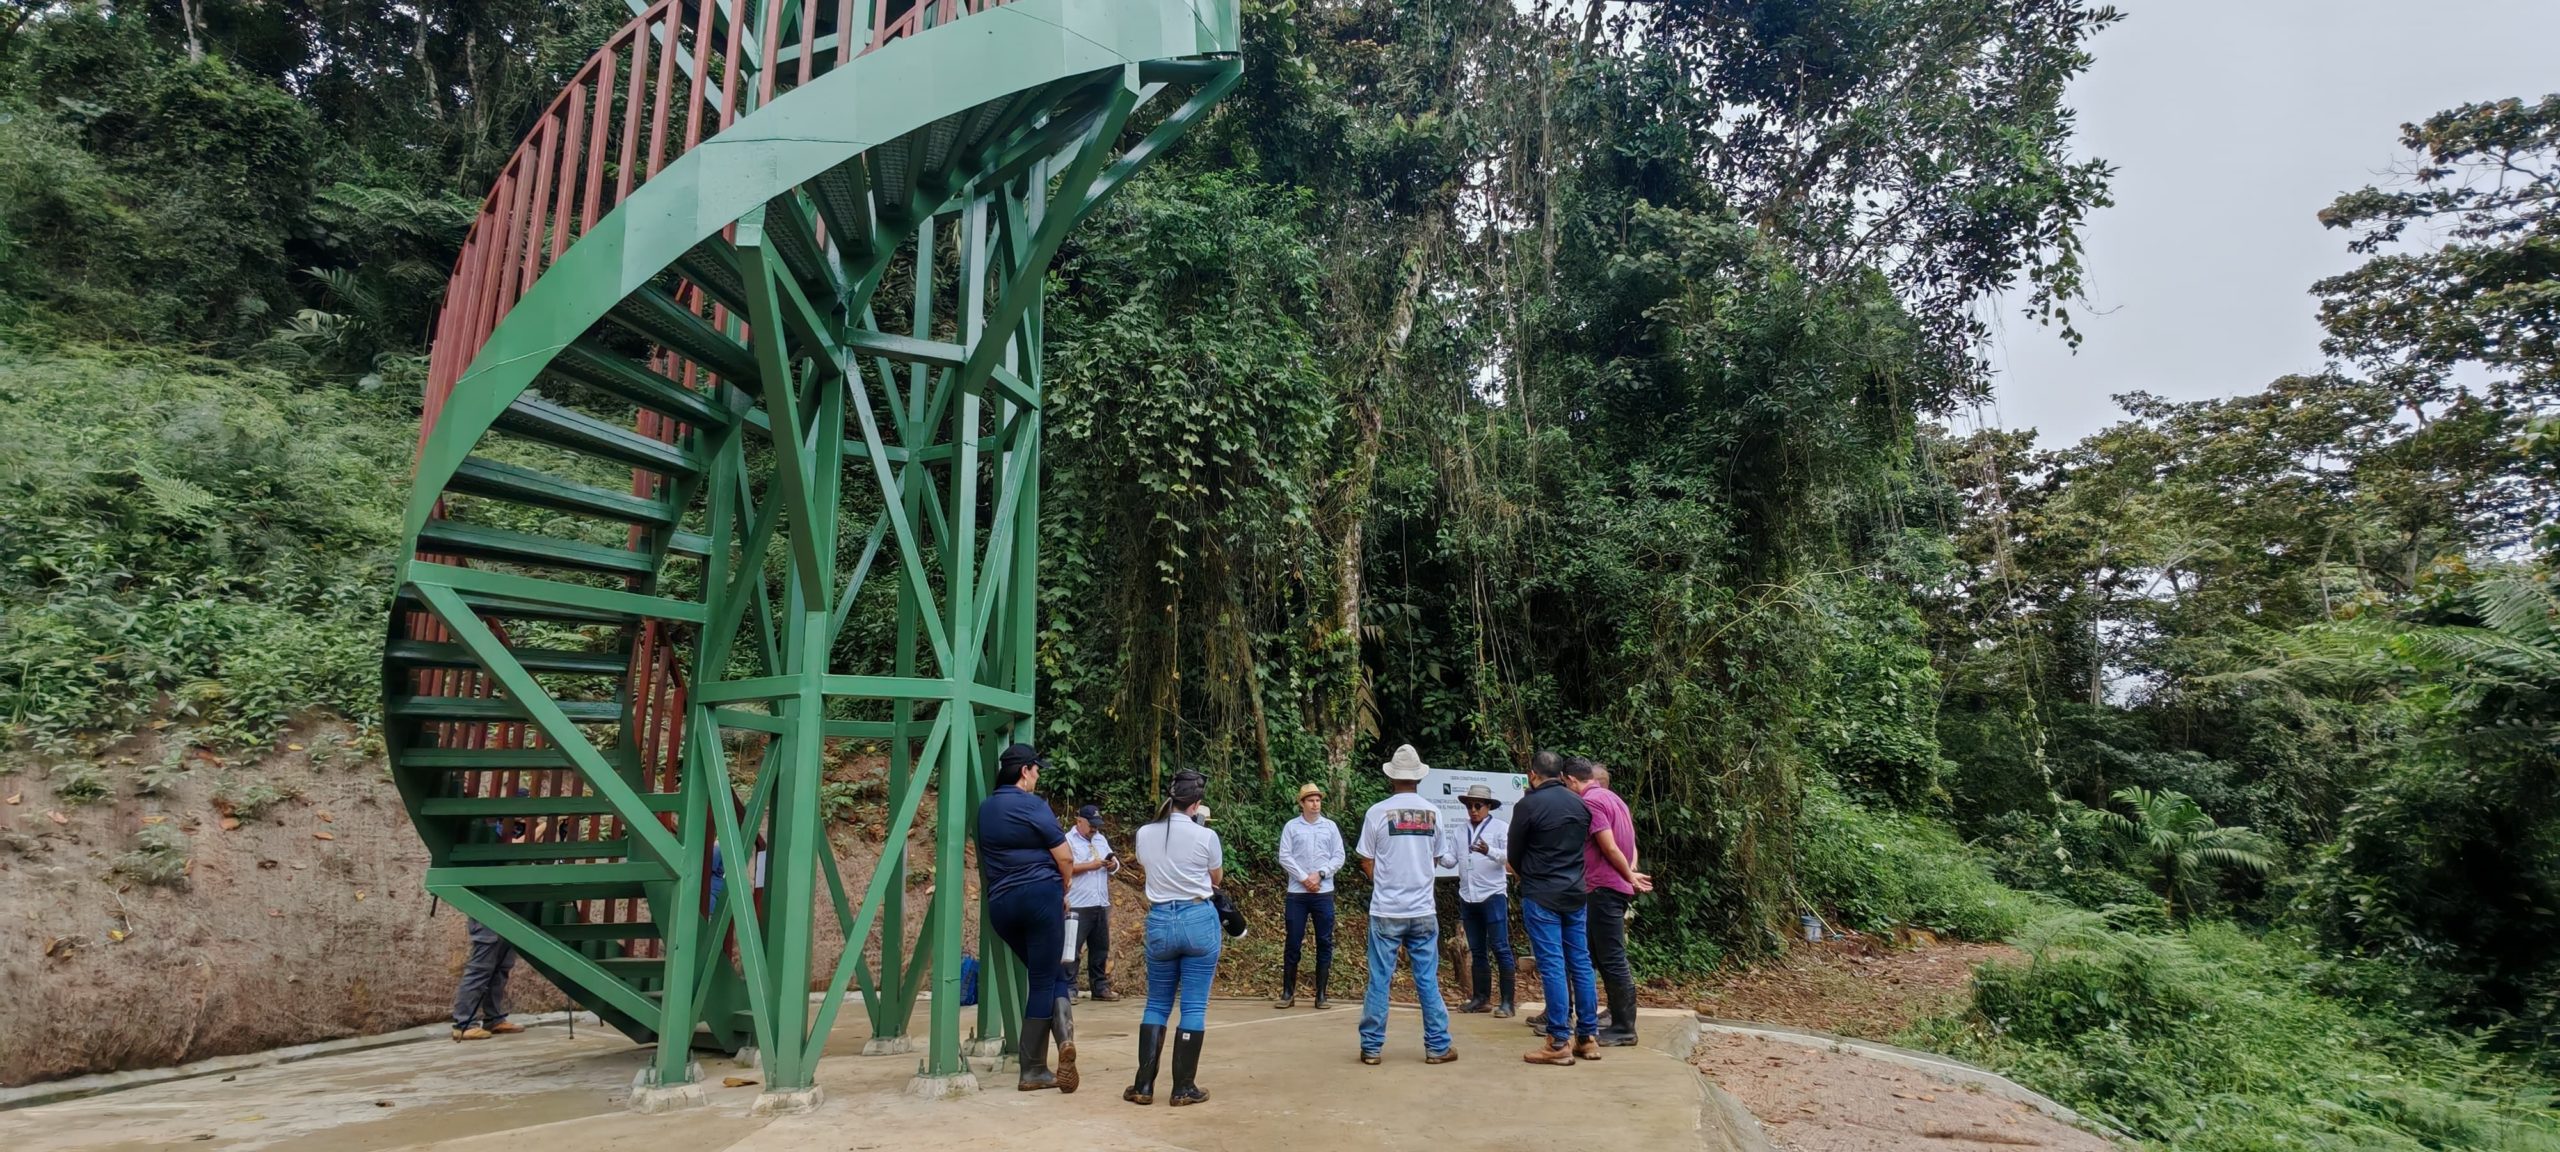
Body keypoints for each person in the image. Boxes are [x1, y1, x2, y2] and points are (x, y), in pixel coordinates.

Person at [975, 743, 1080, 1092]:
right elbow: (1065, 857)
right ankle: (1034, 1066)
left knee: (1051, 972)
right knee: (1043, 978)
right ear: (1025, 771)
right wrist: (1063, 890)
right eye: (1037, 771)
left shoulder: (986, 808)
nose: (1037, 777)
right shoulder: (1033, 805)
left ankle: (1063, 1044)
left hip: (1002, 907)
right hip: (1039, 898)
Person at [1356, 744, 1461, 1066]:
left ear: (1392, 778)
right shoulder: (1433, 813)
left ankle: (1372, 1048)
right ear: (1418, 778)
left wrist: (1384, 884)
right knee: (1427, 979)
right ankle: (1437, 1046)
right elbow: (1436, 858)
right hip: (1422, 910)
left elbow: (1366, 859)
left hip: (1386, 910)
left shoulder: (1377, 812)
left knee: (1379, 978)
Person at [1128, 769, 1224, 1106]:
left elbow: (1147, 866)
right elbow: (1215, 879)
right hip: (1197, 917)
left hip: (1160, 919)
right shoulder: (1205, 837)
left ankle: (1143, 1086)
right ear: (1196, 804)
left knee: (1156, 1003)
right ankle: (1183, 1087)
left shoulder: (1144, 833)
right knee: (1193, 1005)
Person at [1510, 749, 1600, 1064]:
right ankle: (1587, 1038)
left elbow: (1514, 852)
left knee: (1552, 965)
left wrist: (1530, 875)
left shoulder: (1528, 805)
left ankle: (1558, 1041)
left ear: (1533, 775)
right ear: (1561, 775)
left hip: (1542, 895)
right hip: (1575, 893)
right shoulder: (1580, 804)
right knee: (1581, 963)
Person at [1572, 758, 1651, 1045]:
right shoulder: (1617, 801)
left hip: (1603, 887)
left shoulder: (1592, 802)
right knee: (1595, 956)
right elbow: (1630, 844)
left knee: (1612, 957)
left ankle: (1624, 1027)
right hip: (1613, 886)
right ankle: (1603, 1020)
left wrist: (1628, 874)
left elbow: (1608, 845)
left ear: (1574, 780)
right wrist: (1630, 872)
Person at [451, 807, 532, 1041]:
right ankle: (463, 1022)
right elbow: (511, 850)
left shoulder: (518, 829)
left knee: (502, 966)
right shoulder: (494, 830)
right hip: (487, 905)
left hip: (510, 906)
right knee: (481, 967)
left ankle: (494, 1018)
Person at [1274, 780, 1345, 1010]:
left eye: (1318, 800)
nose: (1315, 804)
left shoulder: (1330, 827)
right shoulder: (1292, 827)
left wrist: (1321, 874)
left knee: (1324, 941)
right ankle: (1288, 992)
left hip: (1323, 893)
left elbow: (1338, 856)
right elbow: (1285, 856)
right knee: (1293, 941)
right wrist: (1304, 877)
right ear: (1302, 803)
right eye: (1311, 800)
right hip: (1298, 892)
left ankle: (1321, 994)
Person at [1454, 784, 1516, 1017]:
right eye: (1469, 806)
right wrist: (1436, 857)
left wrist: (1489, 850)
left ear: (1488, 807)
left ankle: (1508, 1002)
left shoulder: (1500, 828)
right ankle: (1481, 998)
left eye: (1478, 805)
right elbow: (1452, 858)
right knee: (1477, 950)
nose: (1473, 810)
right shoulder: (1460, 831)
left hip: (1492, 894)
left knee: (1500, 947)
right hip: (1467, 895)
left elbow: (1510, 857)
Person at [1066, 805, 1120, 1001]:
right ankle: (1069, 988)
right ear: (1079, 821)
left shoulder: (1100, 839)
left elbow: (1114, 861)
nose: (1094, 830)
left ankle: (1100, 987)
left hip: (1100, 901)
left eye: (1097, 826)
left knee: (1100, 948)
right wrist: (1091, 865)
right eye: (1091, 825)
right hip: (1078, 903)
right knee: (1073, 947)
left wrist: (1113, 864)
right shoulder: (1067, 840)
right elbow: (1065, 867)